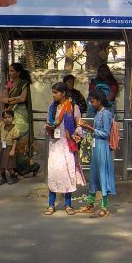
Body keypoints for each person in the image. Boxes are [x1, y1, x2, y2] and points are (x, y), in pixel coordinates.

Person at [44, 82, 86, 215]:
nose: (54, 95)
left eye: (56, 93)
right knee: (54, 173)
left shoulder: (73, 107)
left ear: (63, 94)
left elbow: (79, 124)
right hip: (55, 145)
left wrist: (76, 134)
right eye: (53, 92)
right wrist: (48, 128)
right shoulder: (51, 107)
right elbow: (47, 123)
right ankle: (51, 204)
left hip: (67, 145)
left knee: (68, 173)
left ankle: (68, 204)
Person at [76, 90, 116, 218]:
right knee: (93, 176)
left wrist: (90, 128)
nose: (91, 104)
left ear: (99, 101)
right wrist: (89, 127)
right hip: (96, 146)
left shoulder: (106, 113)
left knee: (103, 176)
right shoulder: (98, 113)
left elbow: (106, 133)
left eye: (92, 101)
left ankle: (104, 207)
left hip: (102, 147)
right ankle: (90, 204)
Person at [4, 62, 39, 177]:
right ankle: (20, 168)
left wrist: (11, 99)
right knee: (11, 140)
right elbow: (4, 99)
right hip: (11, 114)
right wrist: (14, 99)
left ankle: (29, 166)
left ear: (18, 73)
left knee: (20, 140)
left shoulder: (24, 84)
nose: (10, 73)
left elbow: (22, 98)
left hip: (21, 114)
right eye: (9, 71)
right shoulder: (9, 84)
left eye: (12, 71)